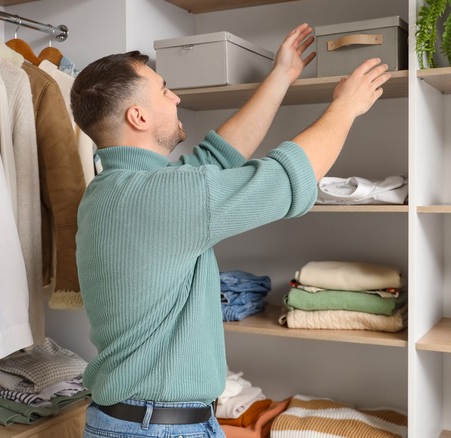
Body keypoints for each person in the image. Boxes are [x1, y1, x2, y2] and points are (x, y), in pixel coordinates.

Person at [70, 23, 391, 438]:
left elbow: (218, 157)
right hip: (157, 430)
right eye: (165, 90)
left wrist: (282, 75)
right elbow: (284, 179)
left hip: (137, 421)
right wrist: (347, 107)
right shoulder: (161, 197)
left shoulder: (113, 191)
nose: (177, 97)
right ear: (139, 116)